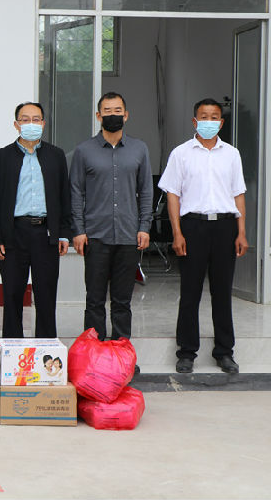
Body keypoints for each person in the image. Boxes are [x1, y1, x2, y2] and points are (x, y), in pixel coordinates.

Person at [158, 98, 248, 374]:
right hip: (192, 227)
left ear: (221, 122)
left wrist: (241, 232)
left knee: (222, 292)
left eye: (214, 117)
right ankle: (187, 352)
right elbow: (173, 195)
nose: (209, 121)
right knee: (190, 292)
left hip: (225, 227)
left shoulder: (232, 154)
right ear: (195, 121)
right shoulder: (181, 154)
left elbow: (238, 194)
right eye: (204, 116)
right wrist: (177, 232)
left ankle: (224, 352)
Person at [71, 92, 152, 351]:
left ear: (126, 115)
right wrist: (79, 230)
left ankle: (121, 356)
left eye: (118, 110)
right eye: (107, 111)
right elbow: (76, 193)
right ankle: (93, 355)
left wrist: (144, 227)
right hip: (95, 236)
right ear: (98, 116)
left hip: (129, 235)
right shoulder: (84, 151)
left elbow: (146, 191)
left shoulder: (139, 149)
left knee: (122, 301)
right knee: (94, 300)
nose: (113, 115)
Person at [0, 103, 71, 338]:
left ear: (43, 123)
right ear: (16, 124)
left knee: (46, 295)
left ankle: (46, 349)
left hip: (46, 234)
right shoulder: (2, 157)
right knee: (12, 294)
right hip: (13, 234)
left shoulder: (56, 156)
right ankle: (13, 349)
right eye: (25, 119)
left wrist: (64, 233)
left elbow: (64, 197)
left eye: (36, 119)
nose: (30, 124)